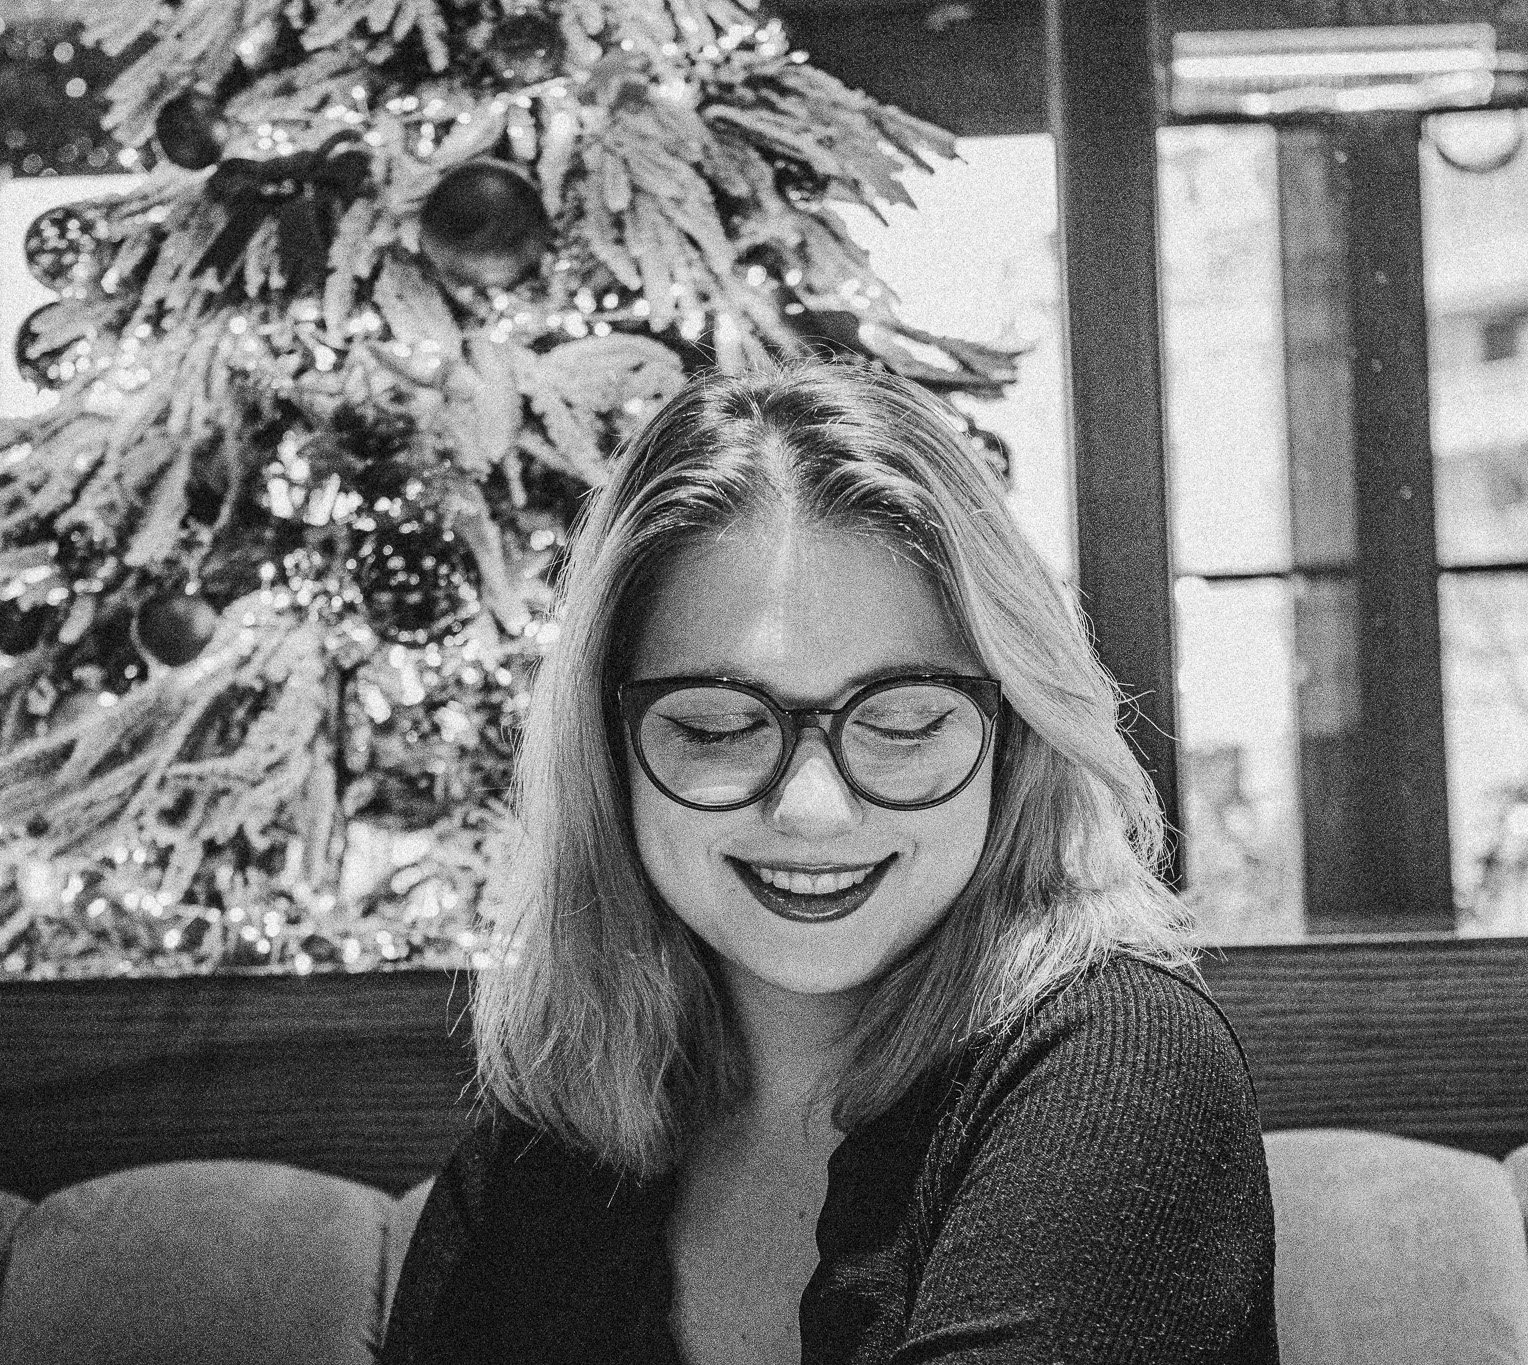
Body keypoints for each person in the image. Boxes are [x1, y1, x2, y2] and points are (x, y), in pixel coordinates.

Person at [380, 362, 1278, 1364]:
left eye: (900, 723)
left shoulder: (1123, 1062)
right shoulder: (552, 1136)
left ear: (1015, 737)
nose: (811, 809)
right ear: (607, 752)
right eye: (718, 728)